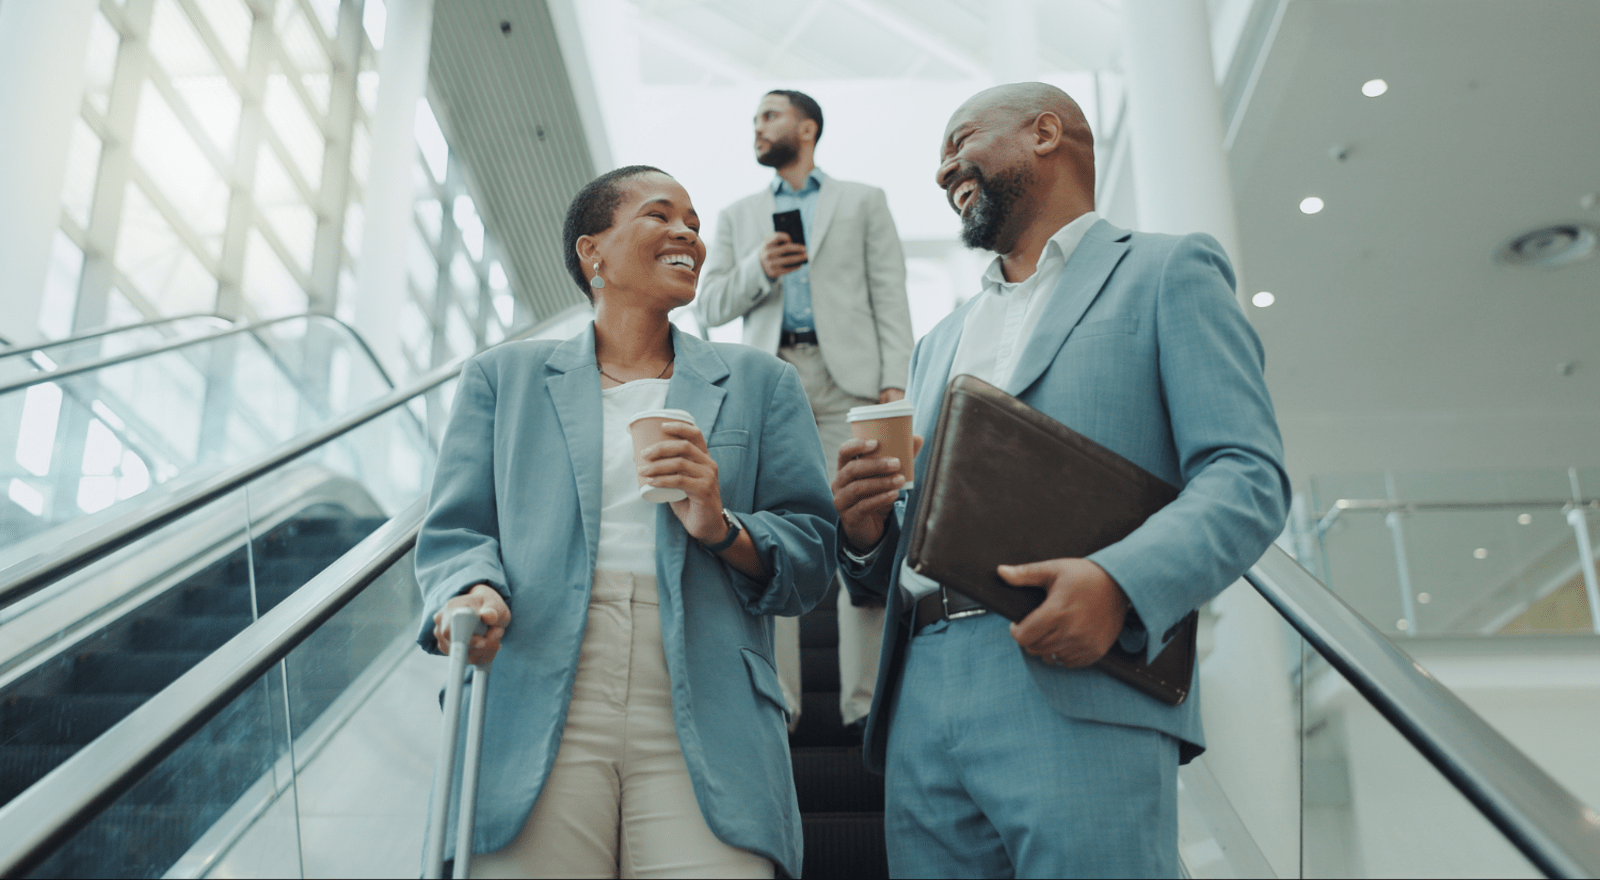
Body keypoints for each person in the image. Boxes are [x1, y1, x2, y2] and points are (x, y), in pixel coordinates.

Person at [831, 83, 1291, 877]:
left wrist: (1120, 582)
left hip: (1077, 674)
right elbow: (923, 527)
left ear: (1046, 133)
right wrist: (869, 531)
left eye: (961, 141)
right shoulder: (937, 341)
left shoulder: (1164, 270)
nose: (943, 171)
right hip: (923, 693)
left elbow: (1246, 474)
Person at [415, 165, 837, 879]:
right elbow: (456, 534)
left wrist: (721, 525)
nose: (687, 235)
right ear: (593, 253)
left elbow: (812, 559)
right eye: (660, 215)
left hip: (709, 699)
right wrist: (471, 589)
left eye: (695, 225)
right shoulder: (502, 378)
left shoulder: (762, 383)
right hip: (536, 678)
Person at [697, 89, 914, 733]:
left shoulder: (863, 201)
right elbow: (710, 308)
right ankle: (781, 705)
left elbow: (889, 292)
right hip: (772, 383)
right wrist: (760, 269)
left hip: (853, 385)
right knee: (777, 539)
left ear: (808, 127)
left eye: (769, 115)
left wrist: (893, 385)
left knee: (867, 527)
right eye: (754, 120)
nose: (758, 128)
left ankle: (865, 706)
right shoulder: (740, 215)